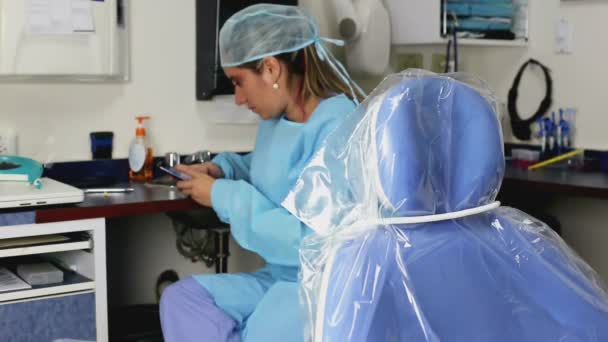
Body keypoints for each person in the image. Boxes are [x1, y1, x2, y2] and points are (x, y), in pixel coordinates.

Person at [159, 4, 365, 342]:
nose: (238, 98)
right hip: (280, 276)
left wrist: (221, 195)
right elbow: (273, 167)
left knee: (257, 332)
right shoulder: (279, 120)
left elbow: (312, 242)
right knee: (184, 300)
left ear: (271, 69)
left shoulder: (339, 126)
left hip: (321, 284)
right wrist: (222, 167)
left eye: (239, 82)